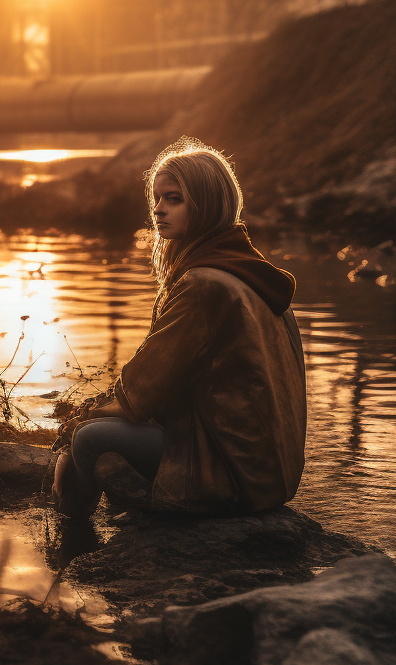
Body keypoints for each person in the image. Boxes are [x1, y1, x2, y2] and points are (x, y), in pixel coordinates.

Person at [52, 139, 306, 516]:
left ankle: (70, 544)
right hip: (270, 473)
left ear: (206, 205)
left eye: (173, 199)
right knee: (94, 436)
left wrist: (78, 421)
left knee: (88, 439)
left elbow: (139, 393)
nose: (157, 209)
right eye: (156, 199)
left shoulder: (203, 284)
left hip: (230, 472)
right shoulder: (252, 275)